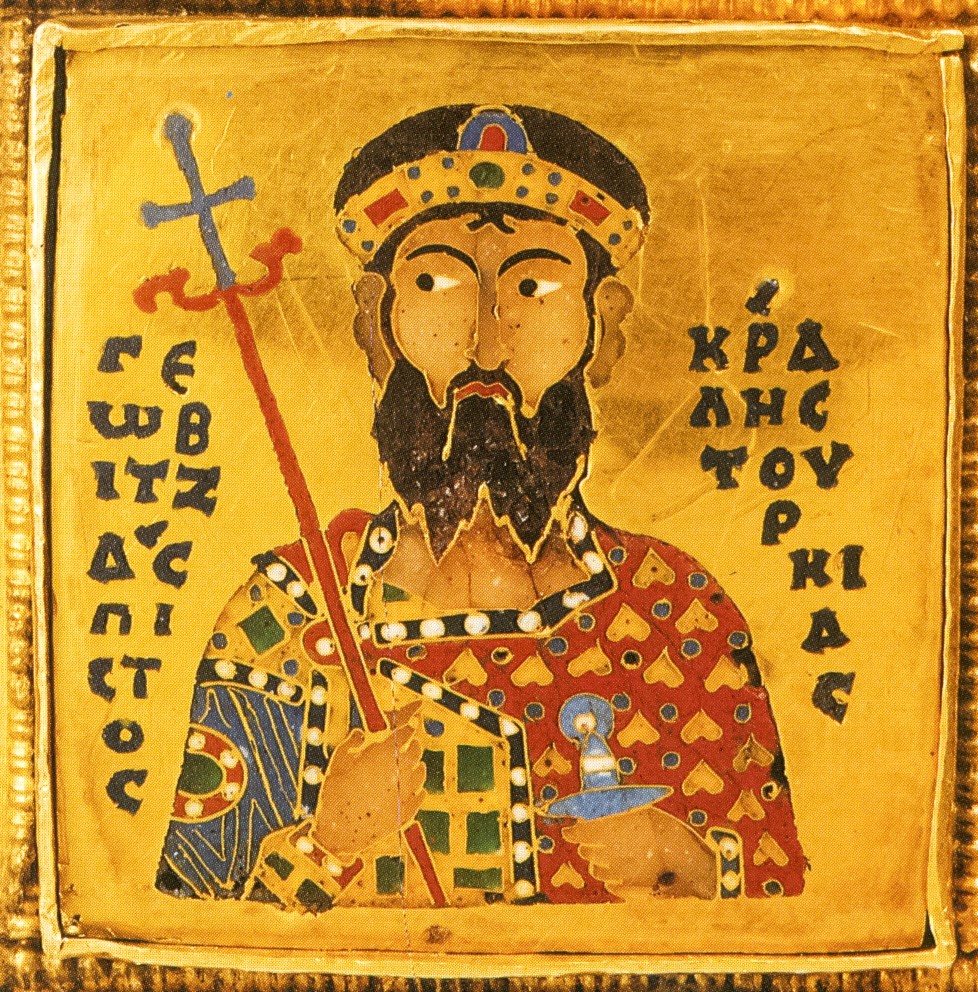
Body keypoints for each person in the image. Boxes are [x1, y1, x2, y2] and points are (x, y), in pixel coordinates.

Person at [156, 104, 806, 911]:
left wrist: (683, 864)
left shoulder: (675, 610)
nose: (487, 344)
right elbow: (182, 931)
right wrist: (330, 844)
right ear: (375, 323)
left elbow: (795, 917)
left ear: (604, 328)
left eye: (536, 287)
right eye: (435, 285)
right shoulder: (289, 616)